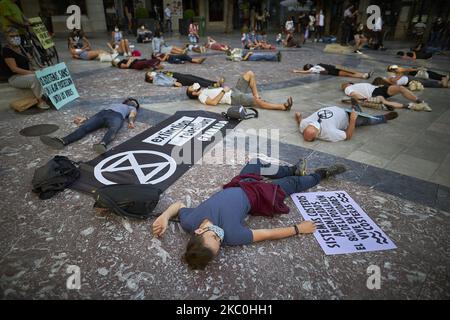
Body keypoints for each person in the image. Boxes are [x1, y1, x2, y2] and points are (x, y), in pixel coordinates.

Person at [152, 157, 347, 270]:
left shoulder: (189, 221)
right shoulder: (232, 235)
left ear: (198, 232)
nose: (219, 236)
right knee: (292, 184)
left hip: (241, 183)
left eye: (213, 236)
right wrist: (298, 229)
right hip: (259, 196)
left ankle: (293, 169)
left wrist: (165, 216)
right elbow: (267, 234)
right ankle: (321, 174)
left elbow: (177, 205)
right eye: (219, 242)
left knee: (255, 163)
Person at [40, 98, 140, 154]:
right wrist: (86, 118)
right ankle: (63, 140)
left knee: (113, 129)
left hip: (115, 115)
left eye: (133, 102)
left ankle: (103, 144)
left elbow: (132, 115)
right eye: (131, 101)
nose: (132, 102)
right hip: (104, 113)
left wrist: (131, 121)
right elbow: (97, 114)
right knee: (84, 127)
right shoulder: (117, 103)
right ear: (126, 101)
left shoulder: (131, 108)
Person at [186, 70, 292, 111]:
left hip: (234, 90)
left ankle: (257, 96)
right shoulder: (201, 97)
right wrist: (223, 91)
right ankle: (282, 106)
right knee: (258, 103)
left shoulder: (205, 90)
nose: (192, 85)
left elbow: (216, 91)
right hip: (233, 98)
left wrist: (220, 83)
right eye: (191, 87)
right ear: (194, 93)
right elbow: (213, 103)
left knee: (250, 73)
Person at [296, 102, 398, 142]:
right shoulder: (329, 133)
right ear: (317, 135)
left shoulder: (304, 124)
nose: (312, 125)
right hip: (347, 118)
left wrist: (299, 117)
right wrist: (353, 119)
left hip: (339, 110)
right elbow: (348, 136)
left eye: (310, 127)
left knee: (358, 114)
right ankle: (383, 118)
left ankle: (356, 108)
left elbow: (301, 121)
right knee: (367, 120)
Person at [2, 27, 49, 109]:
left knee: (46, 72)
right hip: (15, 77)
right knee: (36, 78)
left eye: (17, 35)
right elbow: (14, 69)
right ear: (7, 38)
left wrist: (38, 68)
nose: (15, 38)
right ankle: (40, 101)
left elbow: (29, 63)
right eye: (12, 36)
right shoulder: (6, 50)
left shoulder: (22, 48)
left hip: (26, 74)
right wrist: (32, 73)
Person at [341, 82, 430, 111]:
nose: (346, 84)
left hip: (380, 89)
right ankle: (411, 106)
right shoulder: (348, 88)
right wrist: (364, 99)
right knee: (385, 102)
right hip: (374, 94)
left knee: (401, 88)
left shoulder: (356, 84)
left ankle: (419, 101)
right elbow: (354, 94)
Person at [145, 70, 224, 88]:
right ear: (150, 78)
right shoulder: (156, 80)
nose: (152, 72)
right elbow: (163, 83)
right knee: (195, 81)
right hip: (177, 80)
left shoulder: (158, 74)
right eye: (150, 73)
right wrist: (173, 83)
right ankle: (213, 85)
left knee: (196, 78)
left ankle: (214, 83)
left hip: (177, 75)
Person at [294, 63, 373, 79]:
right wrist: (297, 71)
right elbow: (306, 72)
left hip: (334, 69)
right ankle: (364, 75)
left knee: (350, 72)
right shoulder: (313, 69)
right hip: (334, 70)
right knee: (349, 74)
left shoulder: (316, 66)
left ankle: (364, 74)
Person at [372, 75, 449, 89]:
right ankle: (442, 83)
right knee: (425, 82)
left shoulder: (391, 81)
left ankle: (442, 84)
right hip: (408, 80)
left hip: (409, 79)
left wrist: (395, 79)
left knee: (425, 82)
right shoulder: (389, 82)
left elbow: (399, 75)